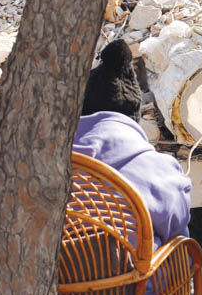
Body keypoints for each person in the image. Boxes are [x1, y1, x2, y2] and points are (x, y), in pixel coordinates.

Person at [73, 40, 192, 245]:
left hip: (60, 265)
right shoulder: (160, 170)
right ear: (134, 116)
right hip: (133, 265)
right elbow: (177, 228)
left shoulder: (51, 165)